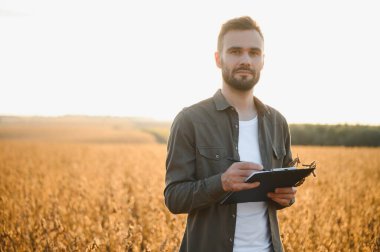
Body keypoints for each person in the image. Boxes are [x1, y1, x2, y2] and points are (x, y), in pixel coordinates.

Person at [164, 16, 296, 252]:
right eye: (235, 51)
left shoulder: (277, 122)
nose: (246, 60)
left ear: (263, 61)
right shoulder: (190, 120)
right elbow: (174, 197)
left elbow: (284, 193)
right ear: (218, 58)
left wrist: (287, 197)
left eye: (254, 53)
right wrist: (221, 183)